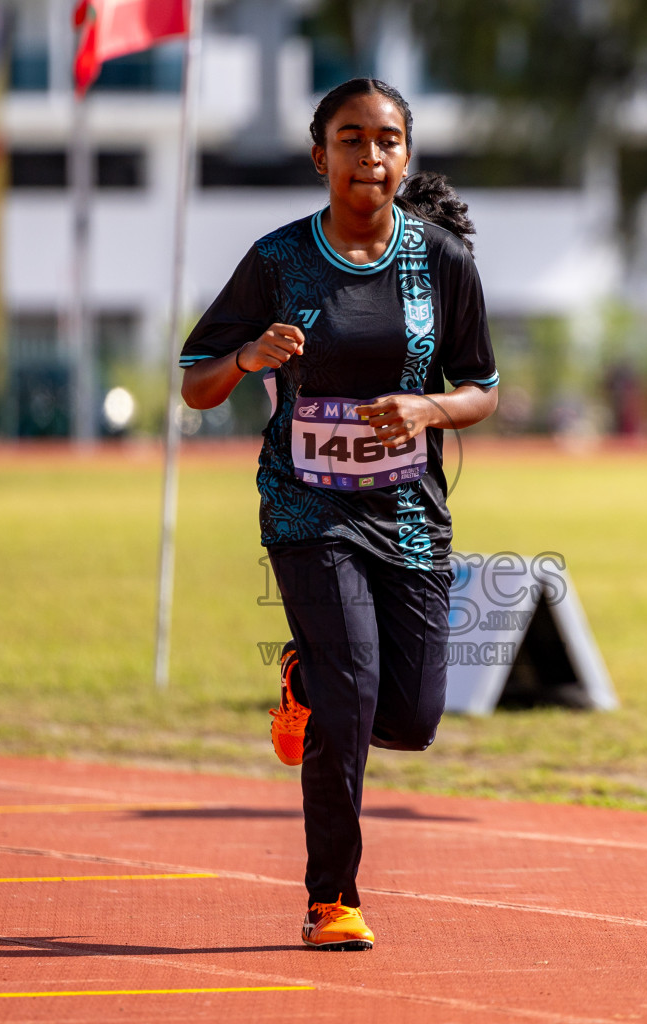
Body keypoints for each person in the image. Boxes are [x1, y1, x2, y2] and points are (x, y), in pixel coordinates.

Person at [179, 78, 500, 951]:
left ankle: (301, 681)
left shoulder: (442, 262)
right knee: (354, 691)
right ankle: (334, 898)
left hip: (408, 515)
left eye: (387, 139)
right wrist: (247, 355)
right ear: (321, 155)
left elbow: (482, 390)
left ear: (406, 154)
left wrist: (429, 411)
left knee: (410, 717)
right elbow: (195, 383)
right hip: (307, 509)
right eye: (351, 139)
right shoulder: (279, 261)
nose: (371, 155)